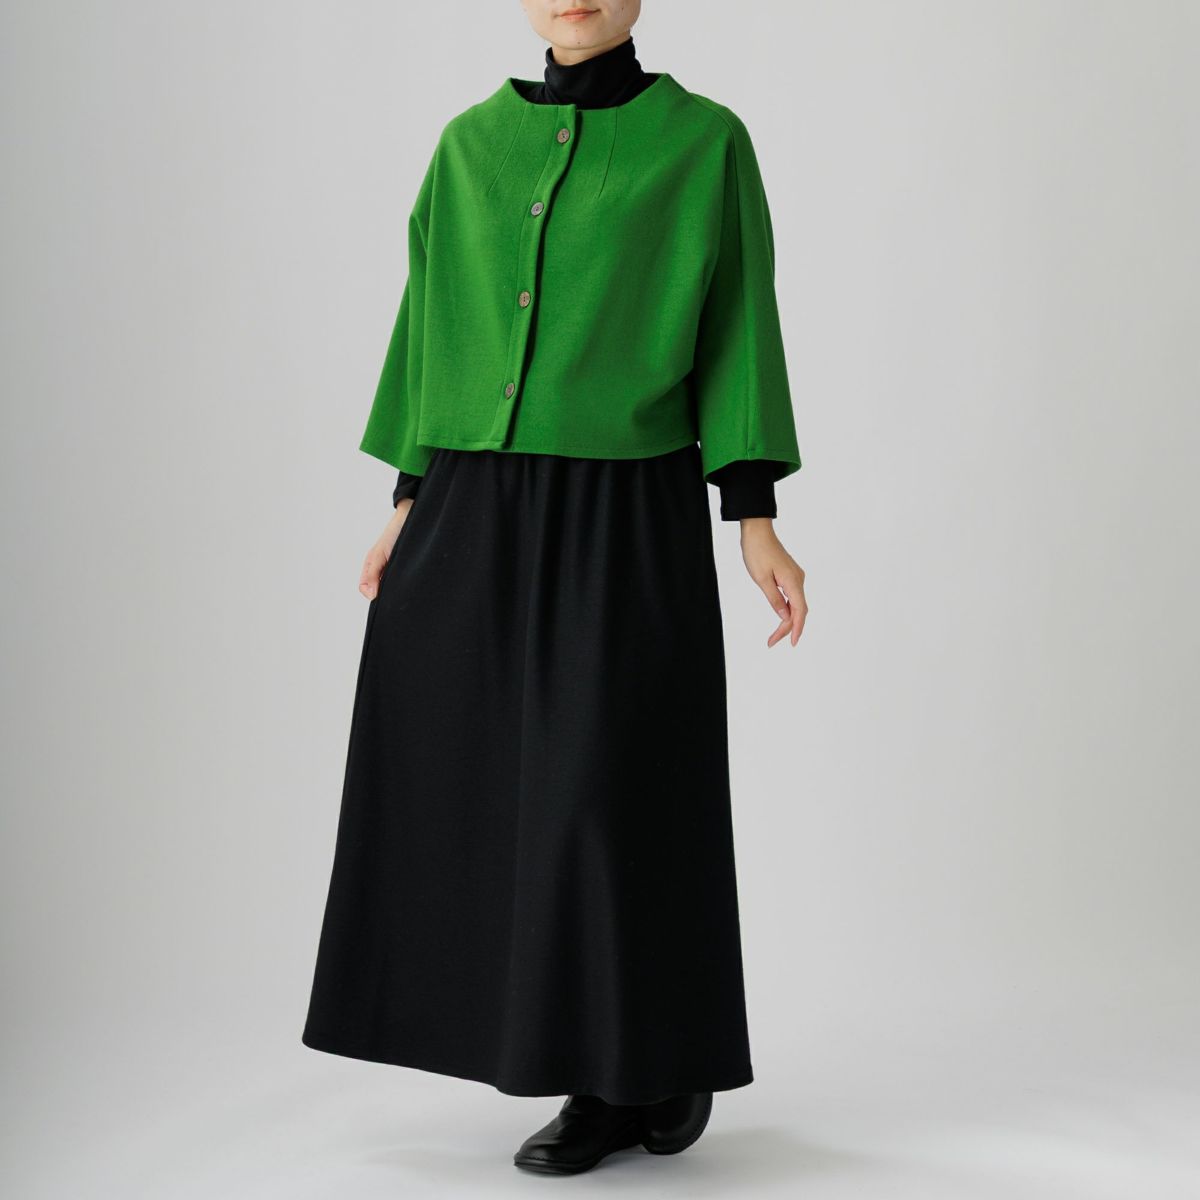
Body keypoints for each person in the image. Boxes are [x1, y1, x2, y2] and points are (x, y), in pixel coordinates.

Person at [301, 0, 808, 1176]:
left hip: (624, 505)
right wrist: (407, 498)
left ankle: (640, 1064)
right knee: (471, 782)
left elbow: (740, 321)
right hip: (469, 504)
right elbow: (428, 317)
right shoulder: (468, 144)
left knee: (607, 790)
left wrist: (754, 517)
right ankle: (577, 1056)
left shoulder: (704, 142)